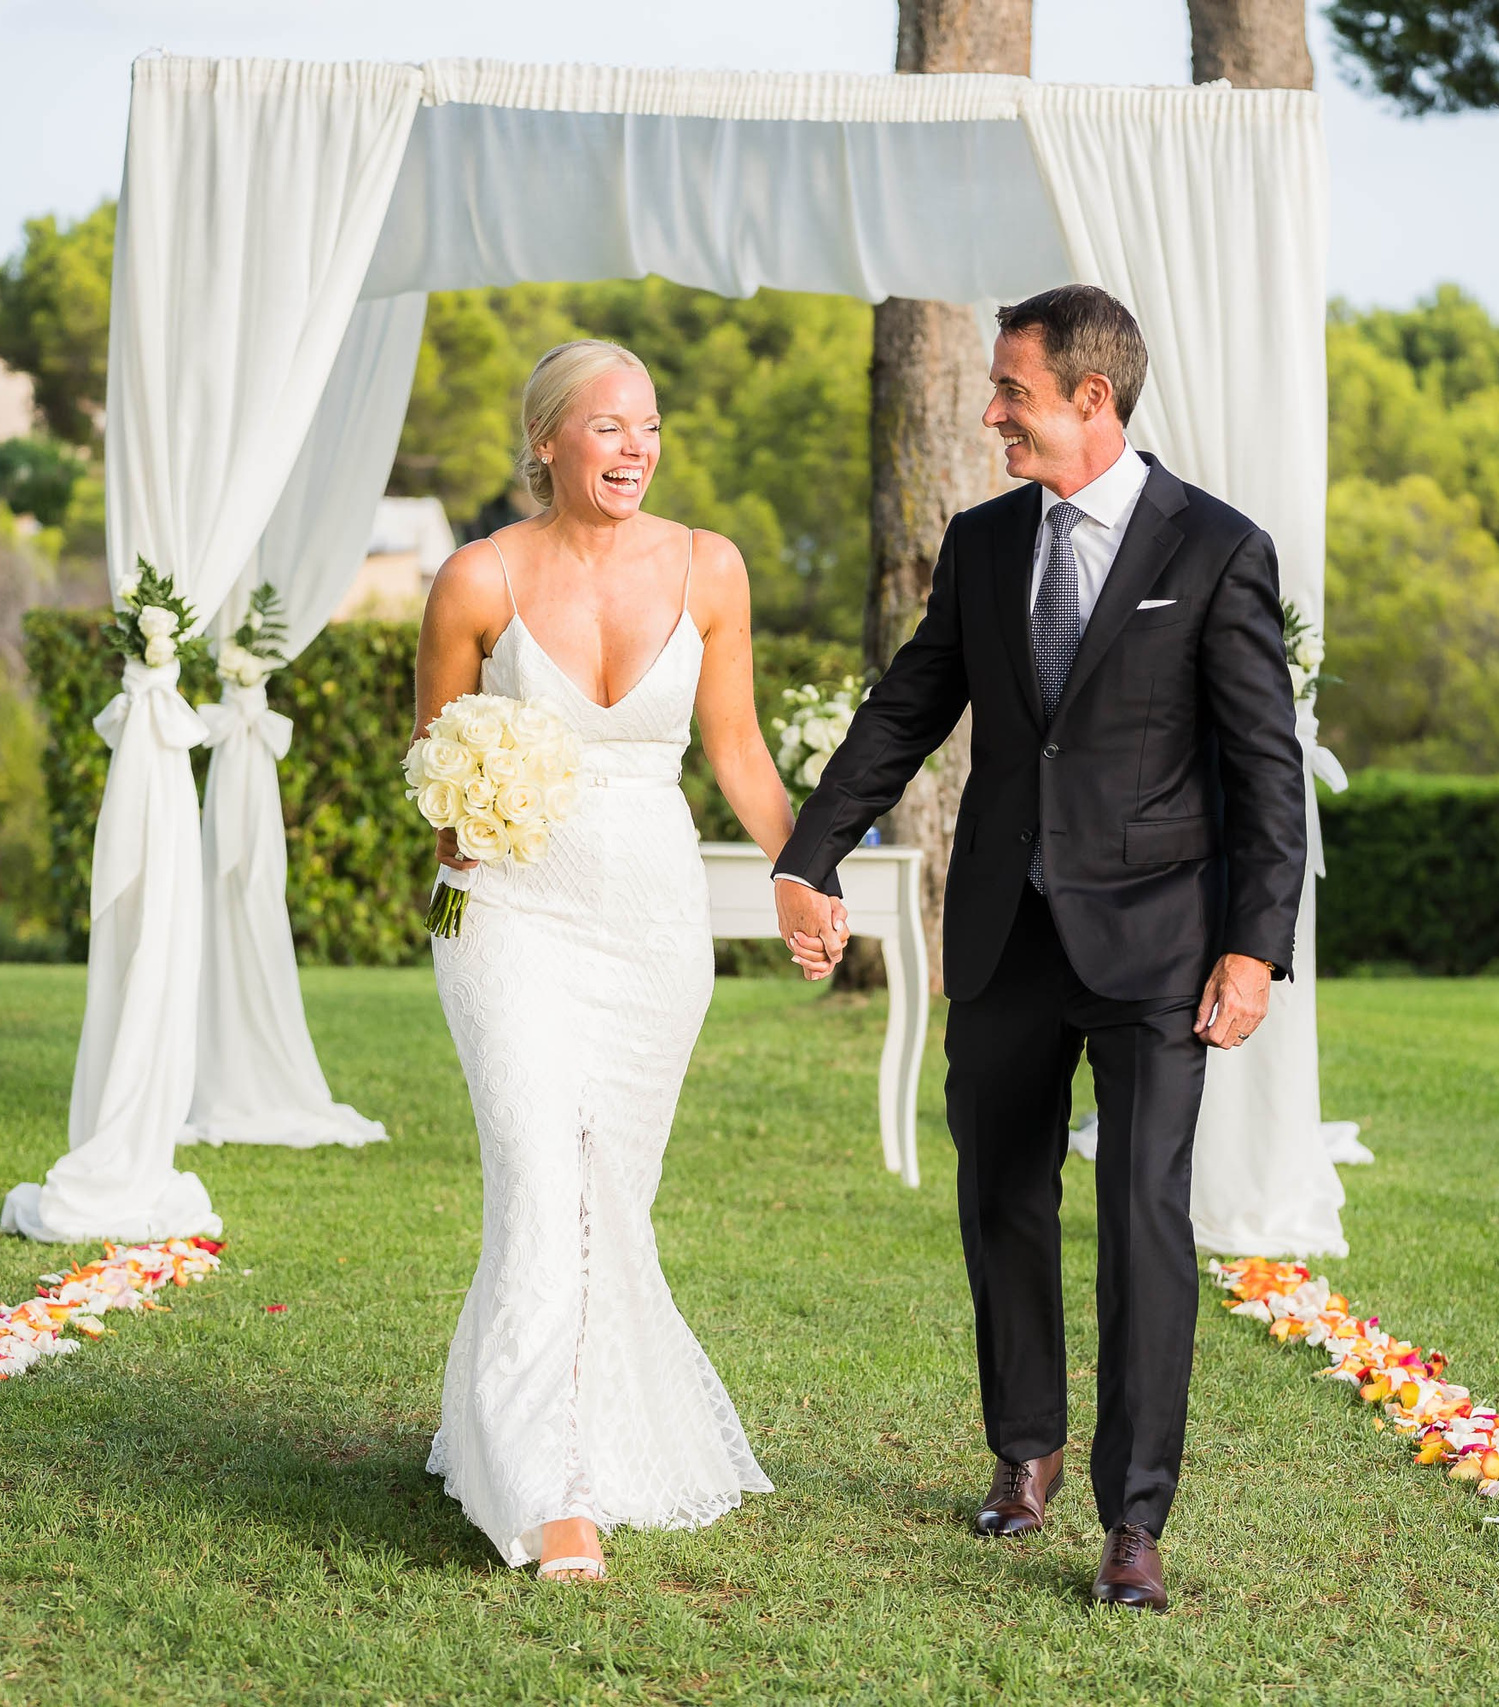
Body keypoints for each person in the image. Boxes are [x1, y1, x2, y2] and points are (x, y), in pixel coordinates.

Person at [771, 285, 1307, 1611]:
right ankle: (1026, 1451)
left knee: (1143, 1220)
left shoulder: (1219, 549)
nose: (989, 410)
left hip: (1161, 945)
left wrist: (1255, 946)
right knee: (1000, 1197)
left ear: (1089, 397)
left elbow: (1265, 770)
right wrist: (810, 848)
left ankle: (1134, 1518)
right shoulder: (983, 541)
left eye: (1010, 389)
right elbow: (908, 704)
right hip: (1006, 931)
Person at [414, 339, 828, 1581]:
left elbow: (740, 751)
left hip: (651, 924)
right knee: (543, 1178)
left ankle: (525, 1427)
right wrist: (469, 813)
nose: (635, 449)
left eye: (649, 426)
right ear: (546, 442)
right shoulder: (474, 578)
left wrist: (801, 872)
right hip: (505, 919)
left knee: (606, 1199)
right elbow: (433, 767)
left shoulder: (710, 569)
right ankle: (552, 1489)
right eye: (606, 428)